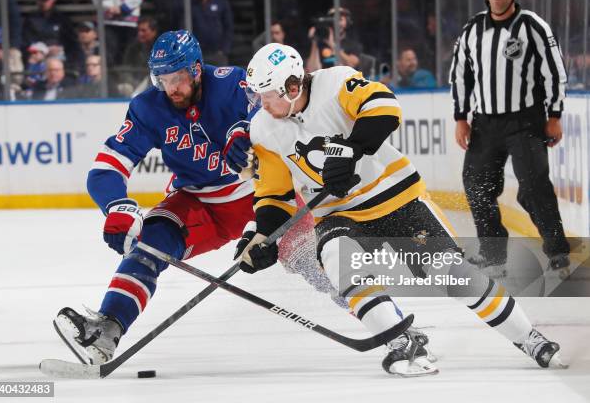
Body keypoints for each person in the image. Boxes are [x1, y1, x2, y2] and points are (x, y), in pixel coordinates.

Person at [224, 42, 567, 375]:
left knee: (453, 275)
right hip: (337, 213)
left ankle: (528, 337)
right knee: (337, 261)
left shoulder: (336, 82)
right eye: (258, 97)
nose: (262, 105)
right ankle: (400, 340)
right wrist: (261, 236)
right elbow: (274, 196)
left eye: (267, 97)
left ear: (292, 87)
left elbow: (385, 105)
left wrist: (352, 149)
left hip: (397, 198)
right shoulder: (263, 129)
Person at [53, 30, 258, 365]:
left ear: (195, 69)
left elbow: (276, 111)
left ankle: (375, 311)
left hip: (264, 197)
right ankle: (107, 329)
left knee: (317, 254)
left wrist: (248, 129)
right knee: (148, 244)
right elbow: (106, 168)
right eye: (162, 79)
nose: (170, 88)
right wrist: (118, 206)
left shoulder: (230, 82)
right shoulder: (148, 107)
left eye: (177, 77)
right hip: (200, 205)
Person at [449, 0, 570, 275]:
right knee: (477, 186)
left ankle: (558, 252)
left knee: (534, 186)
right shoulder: (472, 28)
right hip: (484, 124)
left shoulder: (533, 26)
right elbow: (459, 73)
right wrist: (460, 118)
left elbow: (554, 73)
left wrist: (554, 115)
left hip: (525, 122)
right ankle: (493, 257)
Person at [305, 7, 362, 72]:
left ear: (347, 22)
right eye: (333, 20)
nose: (337, 23)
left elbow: (352, 65)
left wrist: (332, 45)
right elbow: (312, 70)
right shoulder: (321, 43)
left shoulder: (353, 44)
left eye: (340, 19)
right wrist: (314, 42)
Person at [191, 0, 233, 66]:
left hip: (217, 54)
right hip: (197, 55)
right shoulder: (189, 4)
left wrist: (224, 50)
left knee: (220, 76)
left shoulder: (221, 2)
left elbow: (228, 27)